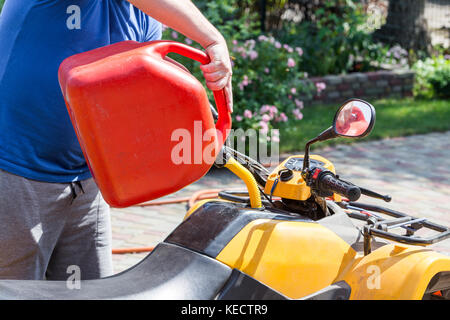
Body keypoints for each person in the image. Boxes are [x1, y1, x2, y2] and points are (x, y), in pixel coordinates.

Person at [0, 0, 232, 280]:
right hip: (16, 173)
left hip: (84, 180)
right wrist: (212, 39)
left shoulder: (145, 16)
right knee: (14, 290)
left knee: (91, 292)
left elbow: (130, 91)